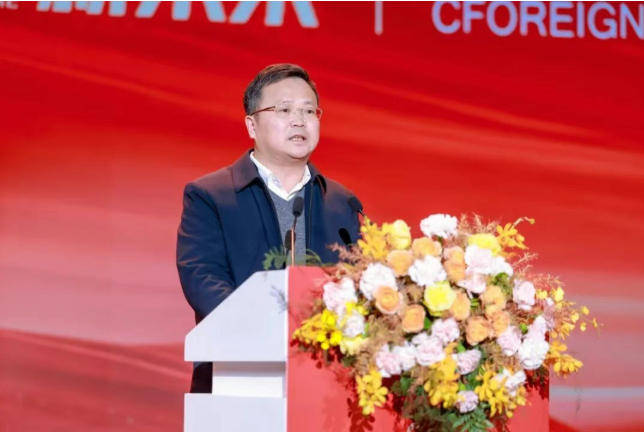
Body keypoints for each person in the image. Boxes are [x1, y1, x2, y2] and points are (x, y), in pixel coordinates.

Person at [176, 63, 362, 392]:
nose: (299, 120)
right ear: (252, 125)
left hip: (326, 382)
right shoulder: (211, 196)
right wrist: (271, 332)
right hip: (237, 375)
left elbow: (361, 284)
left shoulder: (341, 203)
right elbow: (203, 278)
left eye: (309, 110)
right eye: (284, 110)